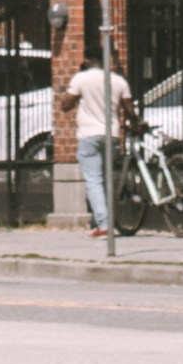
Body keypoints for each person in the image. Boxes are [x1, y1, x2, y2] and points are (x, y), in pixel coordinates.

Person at [60, 20, 141, 243]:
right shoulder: (118, 80)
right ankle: (102, 220)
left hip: (88, 135)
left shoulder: (81, 79)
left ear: (87, 59)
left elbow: (65, 105)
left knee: (93, 180)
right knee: (106, 179)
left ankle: (104, 223)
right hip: (112, 135)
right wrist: (135, 122)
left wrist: (73, 90)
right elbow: (129, 109)